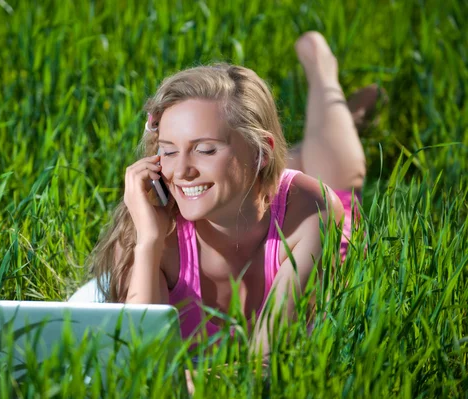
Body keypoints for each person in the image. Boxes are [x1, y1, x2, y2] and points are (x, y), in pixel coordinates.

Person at [86, 31, 376, 358]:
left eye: (205, 150)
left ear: (259, 151)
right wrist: (149, 239)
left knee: (341, 173)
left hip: (294, 209)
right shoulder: (153, 233)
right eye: (168, 151)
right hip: (245, 183)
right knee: (277, 165)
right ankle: (330, 129)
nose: (180, 171)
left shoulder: (310, 209)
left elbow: (266, 361)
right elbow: (139, 365)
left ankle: (323, 72)